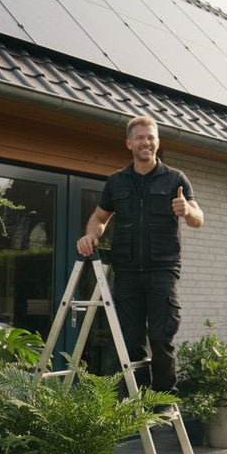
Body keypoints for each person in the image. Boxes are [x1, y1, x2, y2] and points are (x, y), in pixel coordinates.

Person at [76, 116, 204, 394]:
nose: (146, 142)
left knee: (161, 338)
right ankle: (138, 401)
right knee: (130, 342)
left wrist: (187, 210)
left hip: (163, 271)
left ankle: (164, 400)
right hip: (127, 272)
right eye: (141, 137)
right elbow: (99, 218)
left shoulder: (175, 179)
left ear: (157, 142)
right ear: (129, 143)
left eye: (151, 137)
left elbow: (198, 219)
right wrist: (91, 235)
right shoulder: (116, 182)